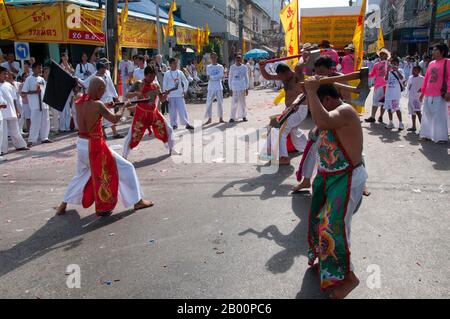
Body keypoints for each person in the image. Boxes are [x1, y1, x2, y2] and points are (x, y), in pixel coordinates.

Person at [304, 79, 368, 299]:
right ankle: (328, 265)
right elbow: (318, 127)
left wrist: (311, 91)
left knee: (336, 228)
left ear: (328, 100)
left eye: (318, 103)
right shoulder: (330, 115)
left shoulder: (346, 111)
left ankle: (349, 278)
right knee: (320, 222)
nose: (315, 110)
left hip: (347, 178)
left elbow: (322, 119)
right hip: (329, 179)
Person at [55, 77, 154, 216]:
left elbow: (95, 109)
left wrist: (107, 106)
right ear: (98, 89)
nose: (103, 94)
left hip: (81, 143)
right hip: (95, 146)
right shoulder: (98, 105)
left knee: (81, 175)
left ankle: (63, 204)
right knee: (127, 167)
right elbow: (115, 119)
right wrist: (123, 107)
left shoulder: (78, 100)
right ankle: (137, 201)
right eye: (102, 91)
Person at [259, 61, 308, 165]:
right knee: (293, 130)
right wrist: (262, 68)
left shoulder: (297, 78)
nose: (280, 79)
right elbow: (268, 77)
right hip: (290, 110)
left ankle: (284, 157)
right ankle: (305, 147)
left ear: (286, 72)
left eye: (281, 76)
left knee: (279, 130)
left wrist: (304, 58)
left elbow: (299, 68)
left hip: (298, 109)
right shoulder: (284, 76)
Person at [123, 65, 175, 159]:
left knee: (168, 129)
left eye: (154, 76)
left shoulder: (156, 85)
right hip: (141, 114)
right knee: (132, 136)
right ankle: (124, 156)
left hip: (154, 114)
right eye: (150, 76)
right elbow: (127, 95)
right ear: (145, 75)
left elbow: (162, 100)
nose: (152, 78)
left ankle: (171, 148)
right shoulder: (139, 83)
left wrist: (166, 94)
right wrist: (136, 93)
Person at [80, 61, 123, 139]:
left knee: (111, 114)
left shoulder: (107, 74)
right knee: (101, 117)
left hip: (108, 98)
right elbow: (85, 83)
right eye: (103, 68)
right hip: (100, 99)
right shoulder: (94, 77)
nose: (105, 69)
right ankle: (103, 134)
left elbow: (111, 86)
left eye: (105, 67)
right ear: (98, 69)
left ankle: (115, 133)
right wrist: (77, 79)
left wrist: (116, 97)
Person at [419, 44, 450, 144]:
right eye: (433, 50)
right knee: (427, 115)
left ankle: (441, 137)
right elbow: (426, 78)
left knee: (439, 116)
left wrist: (449, 92)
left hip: (440, 94)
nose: (433, 52)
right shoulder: (431, 63)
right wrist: (422, 93)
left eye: (436, 50)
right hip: (428, 93)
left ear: (442, 52)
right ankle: (426, 135)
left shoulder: (447, 62)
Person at [21, 62, 52, 147]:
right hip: (35, 105)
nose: (41, 70)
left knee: (46, 121)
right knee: (35, 122)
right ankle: (31, 140)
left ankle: (44, 137)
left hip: (44, 103)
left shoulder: (41, 79)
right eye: (39, 68)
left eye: (41, 68)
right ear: (34, 69)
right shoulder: (29, 79)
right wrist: (34, 92)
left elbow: (45, 91)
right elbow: (23, 92)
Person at [0, 67, 29, 155]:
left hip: (11, 110)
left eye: (6, 74)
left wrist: (16, 110)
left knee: (15, 129)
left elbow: (13, 99)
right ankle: (3, 149)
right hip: (2, 112)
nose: (6, 76)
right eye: (3, 74)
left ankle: (20, 145)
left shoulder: (9, 85)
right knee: (3, 131)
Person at [163, 57, 193, 130]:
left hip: (179, 94)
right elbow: (164, 84)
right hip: (171, 95)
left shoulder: (180, 72)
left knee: (182, 109)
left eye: (176, 63)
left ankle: (187, 124)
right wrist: (165, 95)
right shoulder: (167, 73)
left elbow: (186, 81)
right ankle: (173, 124)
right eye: (174, 63)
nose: (175, 64)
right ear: (170, 64)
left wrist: (184, 91)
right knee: (172, 111)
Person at [365, 48, 390, 123]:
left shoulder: (389, 64)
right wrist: (364, 74)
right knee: (375, 101)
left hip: (386, 86)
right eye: (381, 54)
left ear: (387, 56)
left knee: (383, 102)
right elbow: (372, 74)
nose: (382, 55)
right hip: (377, 85)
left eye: (384, 54)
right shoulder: (376, 65)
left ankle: (381, 116)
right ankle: (372, 117)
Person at [384, 57, 405, 130]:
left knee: (396, 108)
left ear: (398, 64)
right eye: (392, 64)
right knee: (389, 109)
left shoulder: (400, 70)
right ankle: (390, 122)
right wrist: (387, 71)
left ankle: (400, 123)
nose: (393, 65)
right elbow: (385, 79)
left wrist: (397, 71)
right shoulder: (389, 72)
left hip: (395, 94)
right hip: (388, 93)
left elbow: (402, 78)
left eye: (395, 64)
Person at [204, 52, 225, 125]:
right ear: (210, 58)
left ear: (217, 57)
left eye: (214, 57)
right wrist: (215, 77)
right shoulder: (208, 67)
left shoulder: (220, 66)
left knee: (220, 102)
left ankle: (221, 118)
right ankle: (209, 118)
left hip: (218, 86)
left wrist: (213, 77)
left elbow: (221, 75)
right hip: (211, 87)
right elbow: (208, 77)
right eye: (212, 57)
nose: (213, 59)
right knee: (209, 103)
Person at [229, 55, 249, 123]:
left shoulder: (244, 67)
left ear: (241, 60)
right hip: (234, 87)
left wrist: (246, 88)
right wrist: (230, 88)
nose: (238, 60)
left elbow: (246, 78)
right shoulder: (232, 67)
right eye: (237, 59)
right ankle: (232, 117)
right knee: (234, 102)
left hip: (242, 87)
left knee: (243, 102)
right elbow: (230, 78)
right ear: (235, 59)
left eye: (239, 59)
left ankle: (244, 116)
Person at [406, 65, 424, 132]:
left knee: (418, 112)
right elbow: (408, 86)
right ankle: (414, 126)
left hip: (417, 98)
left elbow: (424, 87)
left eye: (415, 70)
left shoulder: (421, 78)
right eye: (413, 70)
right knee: (413, 112)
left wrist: (421, 93)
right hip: (411, 97)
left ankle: (423, 128)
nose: (413, 72)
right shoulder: (410, 77)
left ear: (419, 71)